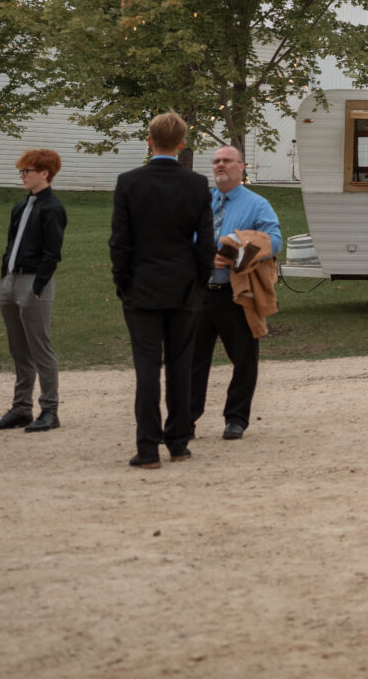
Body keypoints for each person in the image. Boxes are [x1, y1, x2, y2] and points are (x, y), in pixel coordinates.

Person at [110, 112, 217, 469]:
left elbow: (120, 240)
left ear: (149, 141)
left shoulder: (129, 182)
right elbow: (205, 242)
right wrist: (200, 280)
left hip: (141, 285)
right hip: (184, 285)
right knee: (180, 365)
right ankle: (178, 441)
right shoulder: (197, 184)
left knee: (146, 367)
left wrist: (121, 279)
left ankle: (146, 447)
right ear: (183, 143)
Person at [192, 145, 282, 441]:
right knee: (192, 361)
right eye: (216, 161)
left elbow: (275, 241)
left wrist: (239, 254)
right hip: (199, 293)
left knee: (244, 359)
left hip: (236, 293)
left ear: (241, 167)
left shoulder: (256, 205)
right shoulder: (200, 202)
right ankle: (187, 419)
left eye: (227, 161)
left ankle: (236, 419)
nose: (220, 165)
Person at [0, 148, 67, 434]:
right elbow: (10, 243)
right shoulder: (21, 206)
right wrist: (4, 276)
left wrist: (39, 285)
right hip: (11, 280)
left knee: (40, 347)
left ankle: (49, 408)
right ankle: (21, 408)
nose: (22, 176)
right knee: (18, 348)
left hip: (34, 282)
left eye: (27, 171)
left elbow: (52, 253)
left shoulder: (52, 208)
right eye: (21, 171)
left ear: (44, 173)